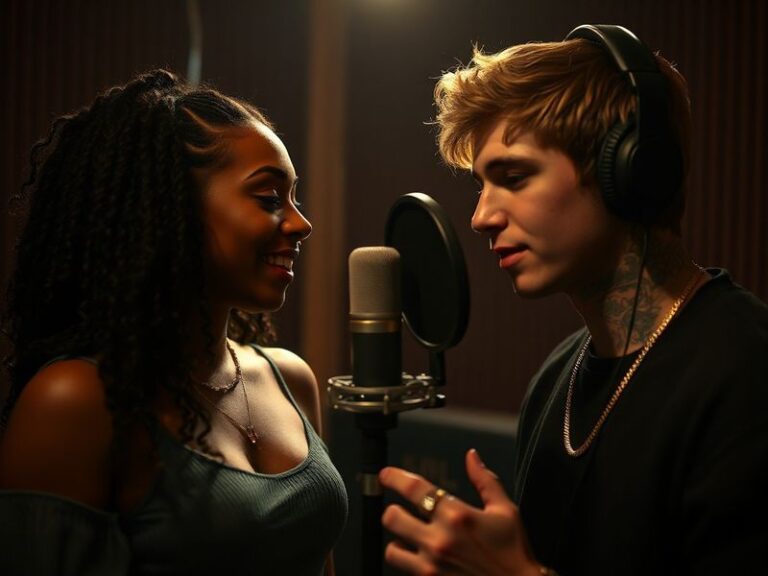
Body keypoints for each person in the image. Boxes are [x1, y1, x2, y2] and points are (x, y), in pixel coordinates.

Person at [379, 24, 768, 575]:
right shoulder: (556, 379)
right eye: (481, 187)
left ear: (628, 172)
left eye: (513, 177)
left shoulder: (745, 372)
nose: (481, 217)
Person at [0, 69, 347, 575]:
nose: (301, 223)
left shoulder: (290, 378)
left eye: (295, 199)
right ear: (171, 210)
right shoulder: (78, 400)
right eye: (270, 199)